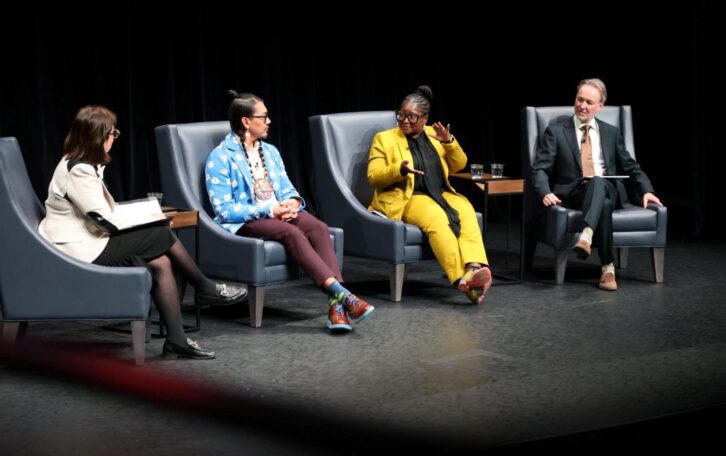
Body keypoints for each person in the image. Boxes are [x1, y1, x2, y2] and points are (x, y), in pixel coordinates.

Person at [39, 105, 247, 360]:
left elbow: (102, 215)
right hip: (78, 248)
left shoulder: (84, 163)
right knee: (160, 232)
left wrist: (144, 215)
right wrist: (147, 218)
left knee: (161, 261)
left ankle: (176, 340)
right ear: (99, 136)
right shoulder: (78, 169)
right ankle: (204, 287)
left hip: (89, 238)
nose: (114, 138)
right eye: (112, 133)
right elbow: (106, 222)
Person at [205, 90, 374, 333]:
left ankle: (337, 308)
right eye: (263, 117)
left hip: (278, 212)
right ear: (246, 122)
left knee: (319, 228)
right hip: (246, 220)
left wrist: (292, 203)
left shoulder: (270, 152)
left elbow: (287, 188)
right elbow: (224, 209)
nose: (269, 121)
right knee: (292, 233)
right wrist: (269, 209)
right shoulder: (220, 157)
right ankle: (343, 295)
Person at [530, 78, 663, 291]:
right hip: (574, 192)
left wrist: (647, 190)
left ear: (600, 106)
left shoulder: (611, 132)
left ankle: (588, 237)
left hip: (607, 187)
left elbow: (631, 166)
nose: (582, 105)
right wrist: (544, 191)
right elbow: (540, 168)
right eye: (579, 99)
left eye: (589, 102)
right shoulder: (556, 131)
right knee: (605, 205)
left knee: (599, 182)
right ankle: (607, 269)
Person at [367, 85, 492, 304]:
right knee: (436, 218)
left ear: (425, 118)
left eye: (412, 117)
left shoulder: (435, 136)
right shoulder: (384, 139)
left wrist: (449, 142)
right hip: (406, 197)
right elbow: (373, 176)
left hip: (440, 192)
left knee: (466, 211)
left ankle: (473, 269)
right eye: (401, 115)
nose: (405, 121)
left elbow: (459, 165)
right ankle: (459, 278)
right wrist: (400, 169)